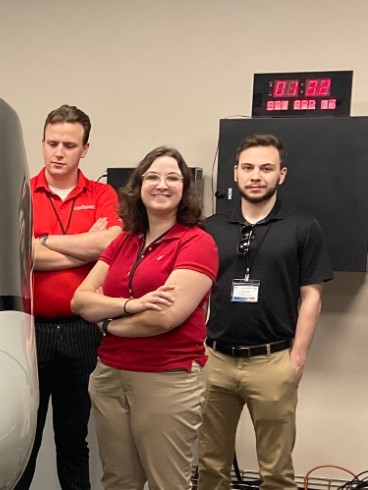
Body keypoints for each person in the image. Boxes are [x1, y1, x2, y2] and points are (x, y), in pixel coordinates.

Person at [70, 146, 218, 489]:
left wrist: (106, 321)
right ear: (139, 186)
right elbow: (80, 300)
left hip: (166, 378)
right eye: (152, 177)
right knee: (119, 481)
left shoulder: (197, 243)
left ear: (185, 189)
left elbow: (164, 317)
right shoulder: (124, 241)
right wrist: (131, 305)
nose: (161, 184)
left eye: (172, 178)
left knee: (167, 482)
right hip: (110, 376)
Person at [197, 135, 332, 490]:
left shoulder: (303, 227)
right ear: (235, 173)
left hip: (273, 361)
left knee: (276, 470)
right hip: (216, 360)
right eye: (248, 167)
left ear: (281, 175)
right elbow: (196, 292)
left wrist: (297, 357)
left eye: (266, 168)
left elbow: (312, 296)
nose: (256, 176)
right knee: (210, 464)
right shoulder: (211, 228)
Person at [17, 104, 121, 490]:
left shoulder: (102, 194)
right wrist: (84, 247)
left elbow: (110, 244)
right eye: (52, 143)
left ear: (85, 149)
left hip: (83, 331)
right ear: (42, 143)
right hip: (30, 333)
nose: (58, 153)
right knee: (25, 441)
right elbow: (20, 253)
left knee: (74, 439)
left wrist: (43, 243)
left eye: (69, 145)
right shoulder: (22, 192)